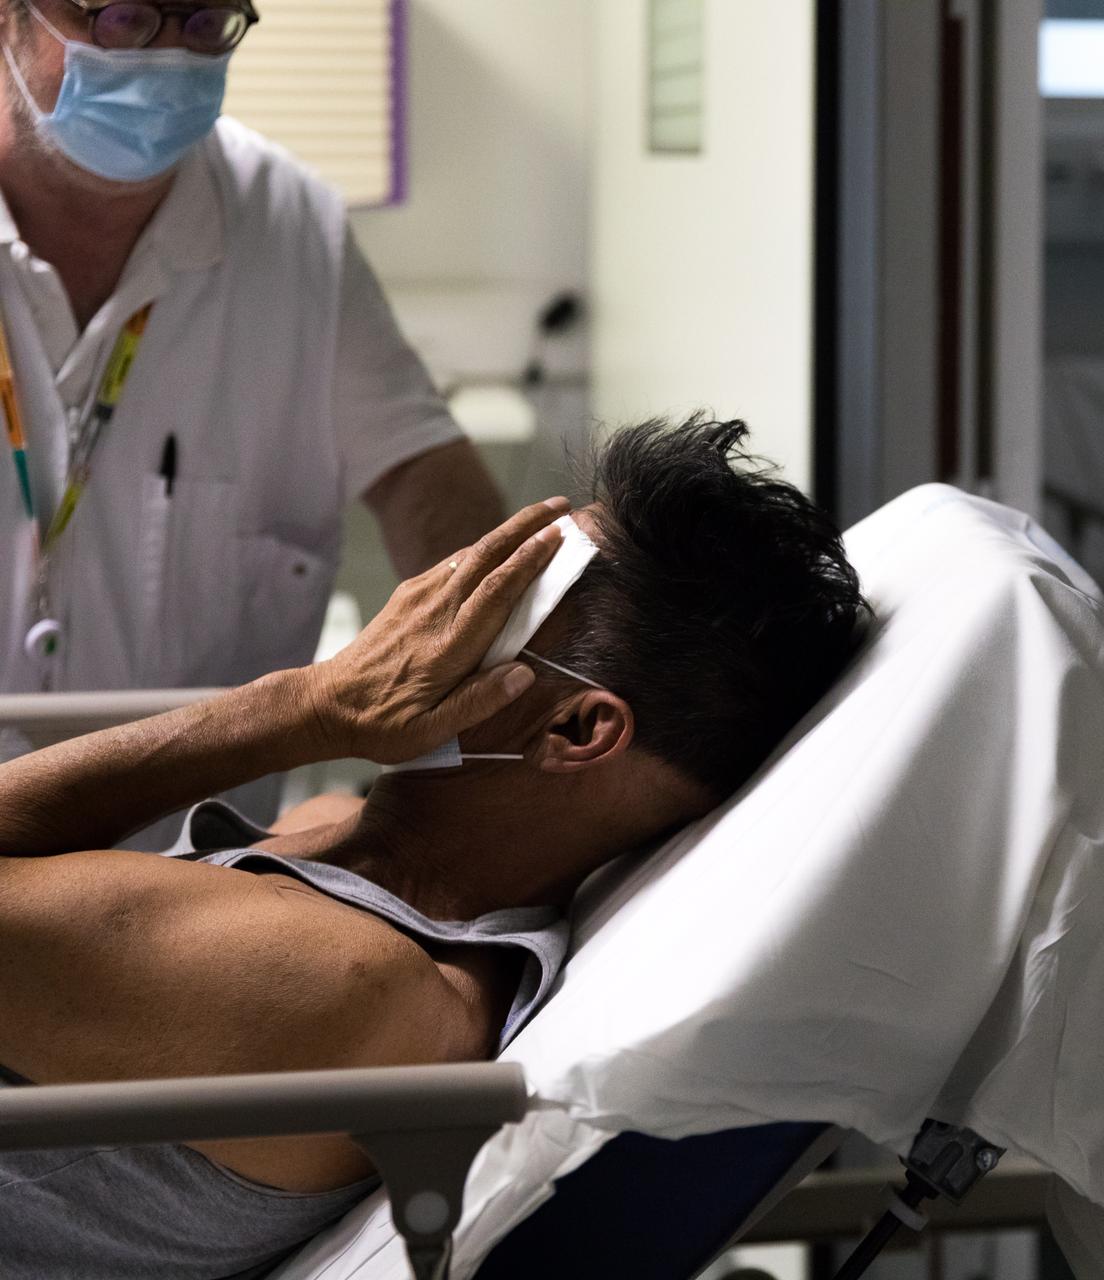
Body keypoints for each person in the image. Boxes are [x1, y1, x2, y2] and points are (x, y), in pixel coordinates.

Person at [0, 419, 869, 1279]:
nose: (420, 609)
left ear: (575, 728)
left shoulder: (343, 983)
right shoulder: (351, 847)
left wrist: (299, 708)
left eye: (499, 603)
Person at [0, 0, 504, 701]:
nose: (169, 58)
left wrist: (510, 683)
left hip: (199, 812)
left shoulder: (295, 229)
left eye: (205, 21)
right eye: (123, 17)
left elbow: (425, 481)